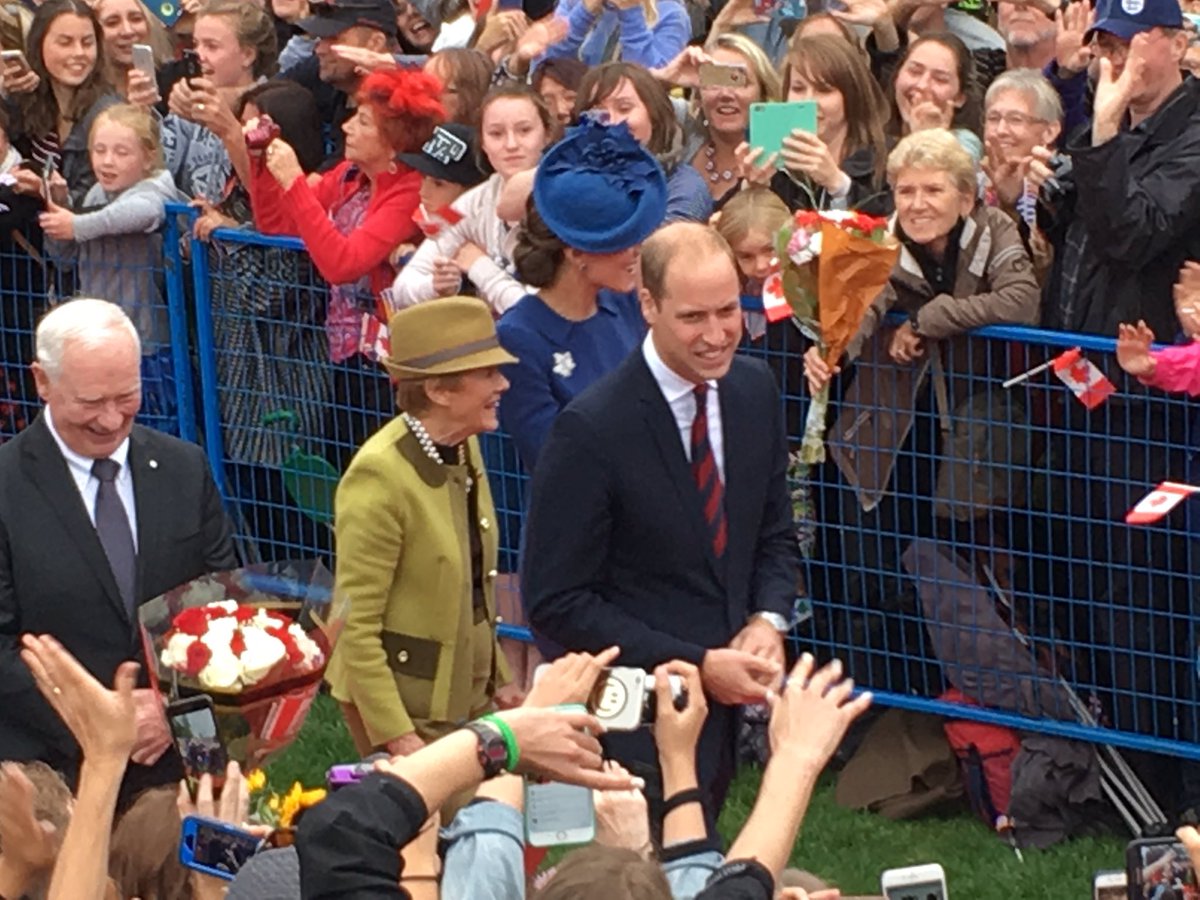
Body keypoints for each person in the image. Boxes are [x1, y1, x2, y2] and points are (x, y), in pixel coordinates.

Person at [521, 220, 799, 832]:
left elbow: (774, 530)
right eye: (693, 317)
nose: (717, 334)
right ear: (647, 304)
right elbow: (556, 599)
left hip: (720, 723)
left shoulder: (753, 390)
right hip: (631, 724)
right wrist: (698, 663)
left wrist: (766, 620)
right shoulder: (591, 430)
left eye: (728, 311)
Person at [0, 299, 237, 804]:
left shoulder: (184, 469)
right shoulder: (5, 487)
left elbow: (225, 609)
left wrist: (172, 709)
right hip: (58, 775)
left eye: (127, 396)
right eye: (90, 402)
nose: (111, 420)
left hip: (181, 761)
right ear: (42, 381)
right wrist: (105, 720)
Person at [325, 297, 519, 759]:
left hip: (462, 699)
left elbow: (472, 586)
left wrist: (501, 683)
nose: (504, 384)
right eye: (487, 374)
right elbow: (353, 626)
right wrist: (399, 738)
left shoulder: (462, 446)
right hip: (404, 708)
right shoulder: (379, 477)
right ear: (439, 391)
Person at [250, 65, 444, 462]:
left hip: (392, 366)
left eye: (364, 121)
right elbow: (277, 224)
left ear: (393, 141)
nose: (346, 127)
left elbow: (344, 263)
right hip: (344, 355)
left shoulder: (408, 192)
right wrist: (260, 163)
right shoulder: (349, 176)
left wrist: (293, 181)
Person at [499, 118, 667, 470]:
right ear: (576, 254)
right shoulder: (518, 338)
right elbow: (553, 458)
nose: (638, 251)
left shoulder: (625, 305)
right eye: (622, 242)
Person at [1036, 0, 1200, 340]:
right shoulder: (1106, 122)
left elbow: (1131, 238)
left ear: (1178, 46)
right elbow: (1078, 228)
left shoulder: (1191, 134)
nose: (1119, 59)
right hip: (1076, 342)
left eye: (1132, 45)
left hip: (1152, 364)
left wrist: (1106, 127)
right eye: (1108, 46)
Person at [37, 103, 186, 426]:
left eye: (121, 152)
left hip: (147, 343)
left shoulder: (155, 187)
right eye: (99, 150)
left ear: (148, 157)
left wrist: (77, 225)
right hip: (97, 338)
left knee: (157, 430)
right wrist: (61, 211)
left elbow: (143, 212)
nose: (107, 161)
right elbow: (65, 258)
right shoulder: (95, 193)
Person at [391, 85, 553, 314]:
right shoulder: (476, 202)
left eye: (524, 130)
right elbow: (402, 288)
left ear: (546, 135)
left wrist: (479, 265)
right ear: (483, 143)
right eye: (496, 134)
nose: (511, 144)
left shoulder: (564, 201)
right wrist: (436, 286)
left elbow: (539, 315)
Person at [2, 0, 119, 206]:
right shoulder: (28, 98)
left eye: (87, 42)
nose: (79, 53)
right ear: (39, 45)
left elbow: (107, 201)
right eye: (65, 42)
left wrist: (46, 191)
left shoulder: (109, 113)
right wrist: (5, 94)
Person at [575, 62, 713, 223]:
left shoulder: (684, 186)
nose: (611, 121)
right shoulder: (566, 176)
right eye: (598, 111)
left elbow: (656, 247)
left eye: (624, 108)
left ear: (653, 116)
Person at [281, 0, 399, 167]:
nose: (320, 49)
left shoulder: (397, 111)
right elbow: (265, 95)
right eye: (321, 39)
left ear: (375, 43)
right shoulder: (326, 70)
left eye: (334, 39)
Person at [888, 32, 985, 162]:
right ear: (897, 76)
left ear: (960, 97)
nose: (922, 85)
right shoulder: (875, 138)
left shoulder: (966, 145)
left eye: (940, 79)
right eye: (914, 71)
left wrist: (927, 138)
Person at [544, 0, 690, 69]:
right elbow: (544, 67)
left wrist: (630, 11)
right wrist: (584, 12)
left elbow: (650, 85)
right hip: (571, 113)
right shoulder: (573, 3)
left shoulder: (672, 14)